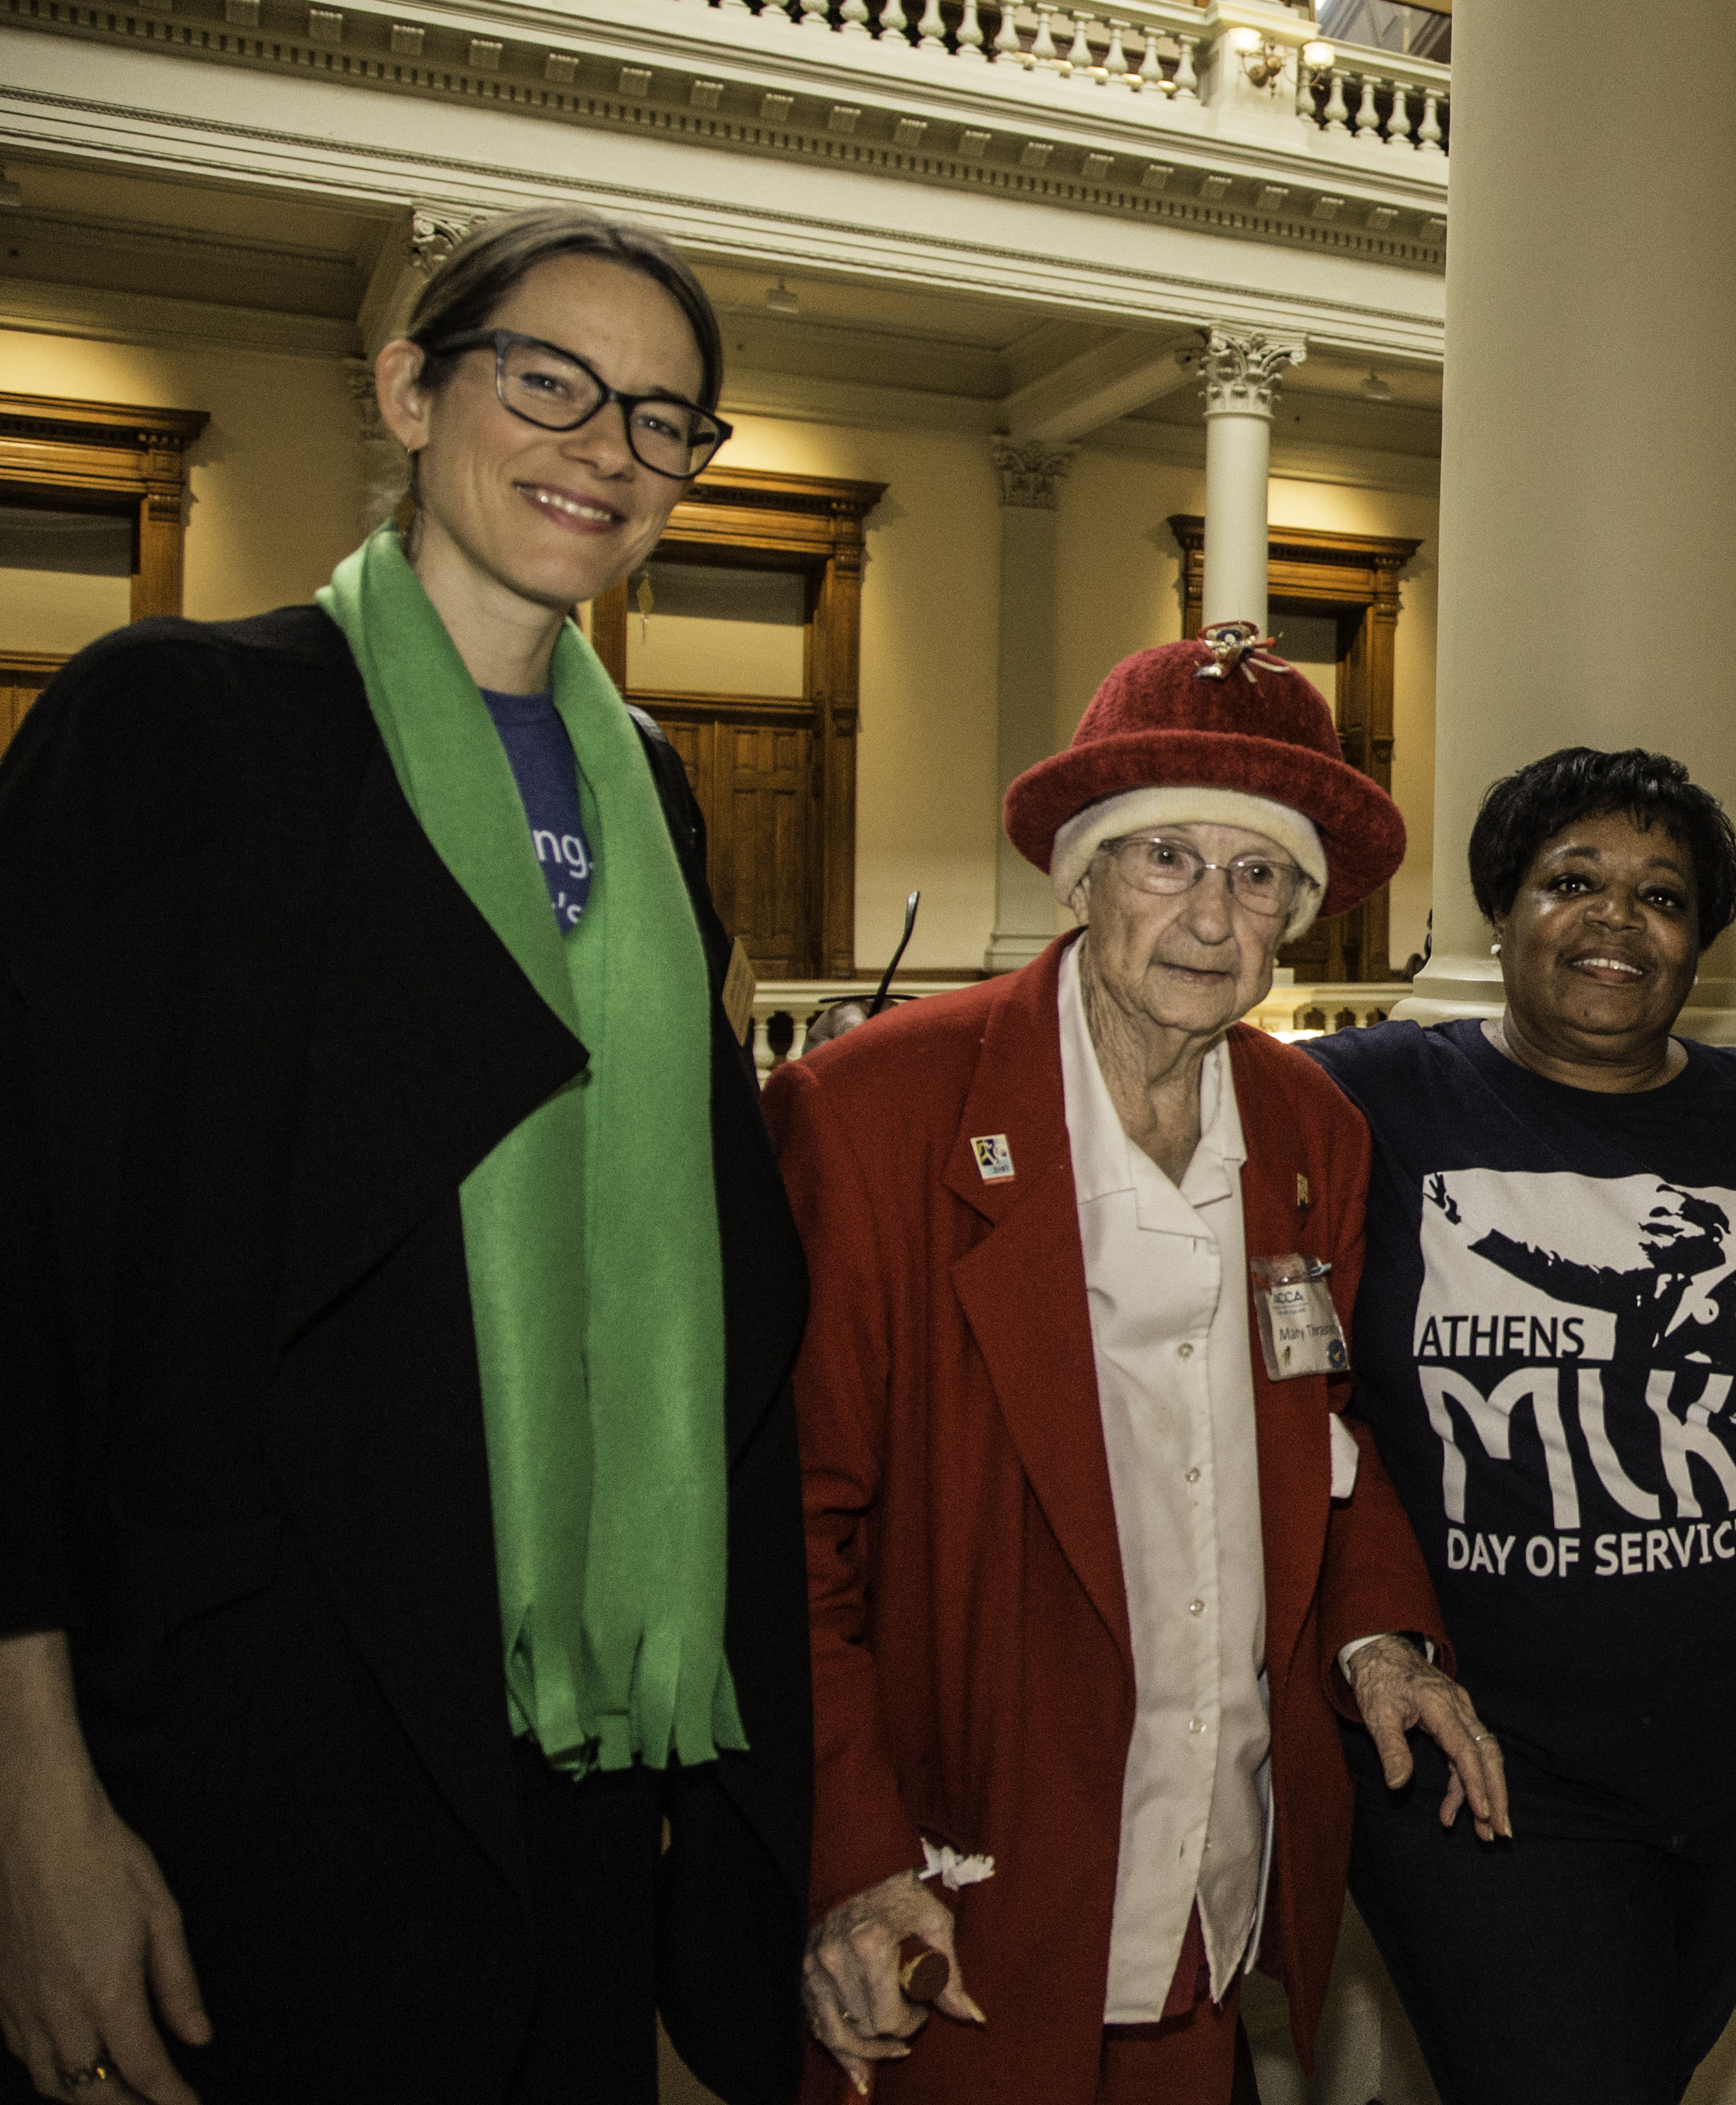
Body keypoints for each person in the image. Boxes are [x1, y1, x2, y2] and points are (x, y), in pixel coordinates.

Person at [0, 207, 812, 2104]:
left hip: (577, 1748)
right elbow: (17, 1278)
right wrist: (31, 1799)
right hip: (245, 1727)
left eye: (666, 420)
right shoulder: (174, 723)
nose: (606, 448)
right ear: (409, 386)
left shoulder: (656, 795)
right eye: (551, 380)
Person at [771, 626, 1502, 2104]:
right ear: (1081, 874)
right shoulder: (870, 1118)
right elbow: (787, 1531)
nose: (1210, 917)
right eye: (1165, 857)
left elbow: (1325, 1428)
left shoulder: (1309, 1133)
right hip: (962, 1868)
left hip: (1210, 1845)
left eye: (1257, 876)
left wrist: (1377, 1640)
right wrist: (847, 1857)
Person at [1302, 748, 1736, 2105]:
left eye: (1660, 896)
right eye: (1569, 881)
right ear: (1501, 909)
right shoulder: (1369, 1100)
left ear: (1697, 943)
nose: (1613, 917)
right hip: (1486, 1760)